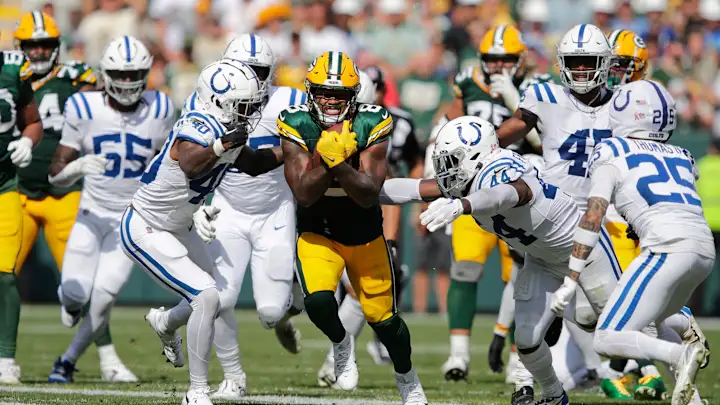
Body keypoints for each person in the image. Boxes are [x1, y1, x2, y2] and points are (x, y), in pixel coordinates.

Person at [378, 115, 621, 405]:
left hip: (582, 249)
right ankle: (555, 396)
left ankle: (680, 343)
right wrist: (352, 192)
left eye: (453, 160)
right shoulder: (468, 177)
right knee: (527, 341)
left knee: (620, 324)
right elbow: (414, 189)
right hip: (541, 259)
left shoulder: (499, 170)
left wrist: (462, 205)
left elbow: (504, 194)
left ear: (477, 155)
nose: (446, 170)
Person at [123, 59, 281, 405]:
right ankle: (196, 392)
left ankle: (166, 322)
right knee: (206, 296)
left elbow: (253, 164)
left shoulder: (228, 128)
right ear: (221, 100)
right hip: (147, 225)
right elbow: (193, 164)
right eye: (245, 104)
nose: (251, 110)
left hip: (179, 224)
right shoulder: (199, 121)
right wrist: (223, 145)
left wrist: (293, 148)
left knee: (219, 297)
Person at [550, 79, 713, 405]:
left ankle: (681, 350)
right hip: (703, 250)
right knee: (650, 326)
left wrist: (571, 278)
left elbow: (593, 217)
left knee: (606, 337)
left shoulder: (610, 150)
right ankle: (693, 398)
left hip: (666, 248)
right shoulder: (682, 155)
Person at [277, 51, 427, 405]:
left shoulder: (372, 121)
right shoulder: (295, 122)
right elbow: (303, 192)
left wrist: (339, 165)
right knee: (316, 302)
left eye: (340, 94)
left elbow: (368, 193)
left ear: (354, 95)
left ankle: (407, 378)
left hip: (363, 232)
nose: (331, 100)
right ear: (311, 91)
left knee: (384, 320)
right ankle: (342, 343)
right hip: (317, 231)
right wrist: (332, 164)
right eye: (325, 92)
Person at [494, 23, 623, 402]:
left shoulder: (622, 105)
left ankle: (668, 353)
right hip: (550, 220)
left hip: (597, 227)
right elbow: (505, 132)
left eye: (588, 62)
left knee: (599, 316)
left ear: (604, 64)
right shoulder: (544, 95)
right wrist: (473, 144)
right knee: (529, 326)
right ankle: (526, 383)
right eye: (574, 63)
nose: (581, 70)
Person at [13, 12, 136, 383]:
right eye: (32, 45)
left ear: (57, 46)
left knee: (87, 286)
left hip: (64, 193)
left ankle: (108, 359)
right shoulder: (7, 79)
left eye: (45, 44)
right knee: (3, 277)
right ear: (20, 47)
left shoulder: (76, 77)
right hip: (15, 191)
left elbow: (110, 107)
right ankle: (4, 359)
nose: (38, 51)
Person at [45, 35, 170, 383]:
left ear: (146, 73)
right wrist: (78, 167)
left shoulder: (159, 109)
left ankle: (67, 361)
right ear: (104, 73)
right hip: (92, 214)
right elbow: (55, 175)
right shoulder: (84, 108)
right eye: (120, 74)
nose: (127, 82)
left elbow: (172, 165)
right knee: (74, 295)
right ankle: (69, 305)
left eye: (134, 75)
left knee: (102, 299)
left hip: (130, 222)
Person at [187, 33, 305, 400]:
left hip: (274, 211)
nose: (251, 79)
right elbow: (187, 159)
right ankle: (234, 377)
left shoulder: (287, 100)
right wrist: (198, 205)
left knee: (269, 312)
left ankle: (288, 309)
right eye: (244, 70)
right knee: (219, 299)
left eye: (258, 71)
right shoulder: (204, 99)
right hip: (228, 209)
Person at [435, 24, 553, 382]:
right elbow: (450, 119)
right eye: (492, 58)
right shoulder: (466, 82)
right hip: (471, 189)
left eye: (505, 58)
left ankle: (521, 357)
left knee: (522, 279)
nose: (499, 65)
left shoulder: (536, 86)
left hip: (517, 191)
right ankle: (458, 355)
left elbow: (546, 142)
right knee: (464, 268)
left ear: (520, 60)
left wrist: (516, 98)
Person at [601, 28, 669, 401]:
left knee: (625, 300)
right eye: (611, 63)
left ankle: (644, 371)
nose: (614, 71)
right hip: (604, 201)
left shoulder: (645, 101)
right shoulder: (600, 96)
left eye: (623, 64)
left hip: (629, 206)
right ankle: (633, 371)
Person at [0, 48, 43, 384]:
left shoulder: (14, 70)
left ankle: (5, 356)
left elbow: (32, 122)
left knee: (5, 274)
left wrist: (28, 142)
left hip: (3, 186)